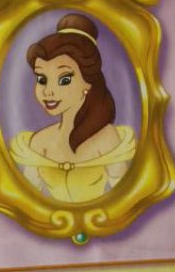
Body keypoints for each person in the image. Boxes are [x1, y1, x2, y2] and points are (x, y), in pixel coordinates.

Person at [8, 14, 136, 203]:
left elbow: (123, 196)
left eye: (64, 79)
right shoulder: (39, 142)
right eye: (42, 79)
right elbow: (28, 199)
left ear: (88, 82)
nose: (48, 91)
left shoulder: (107, 139)